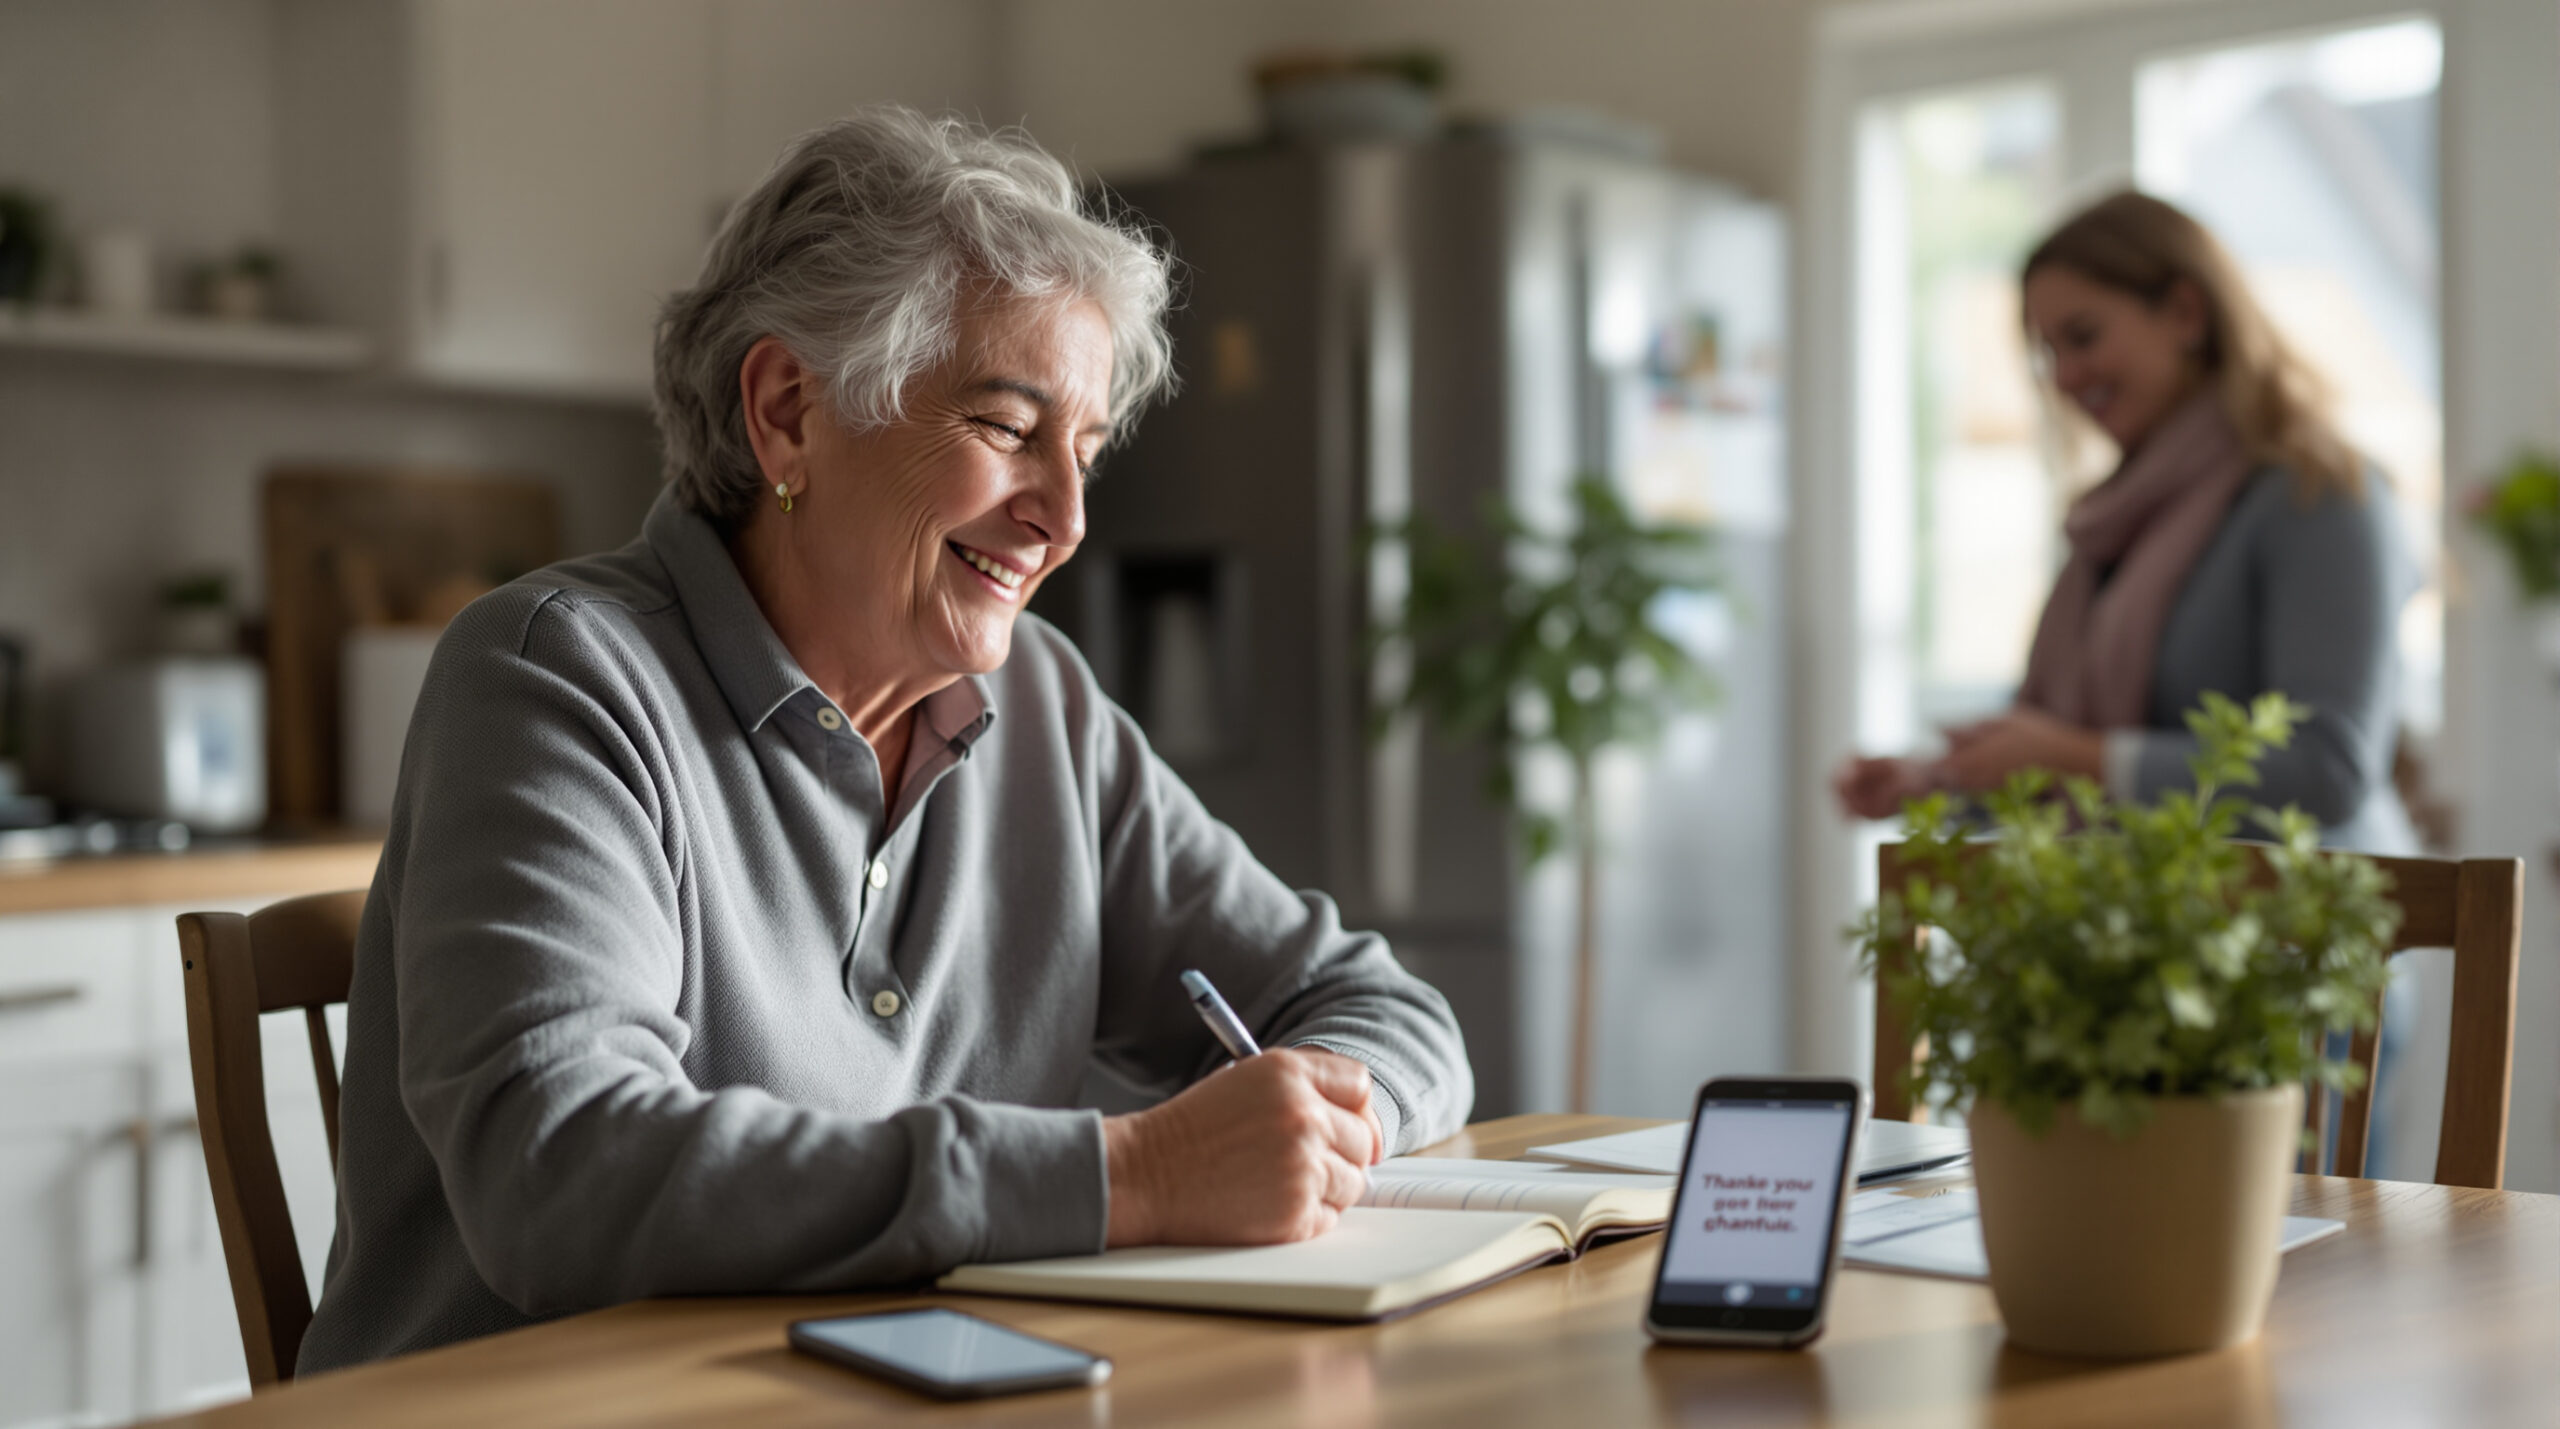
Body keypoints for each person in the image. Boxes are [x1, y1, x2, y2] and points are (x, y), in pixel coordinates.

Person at [298, 108, 1472, 1371]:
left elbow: (1377, 1007)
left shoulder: (1048, 715)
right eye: (1009, 430)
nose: (1065, 517)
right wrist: (1136, 1172)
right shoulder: (559, 678)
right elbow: (562, 1174)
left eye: (1083, 450)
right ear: (790, 410)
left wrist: (1323, 1123)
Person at [1834, 190, 2416, 854]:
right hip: (2146, 932)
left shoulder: (2317, 493)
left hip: (2301, 941)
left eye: (2083, 337)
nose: (2066, 377)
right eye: (2048, 352)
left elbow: (2328, 771)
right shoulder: (2113, 523)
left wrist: (2074, 757)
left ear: (2185, 312)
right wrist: (1931, 778)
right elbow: (2054, 748)